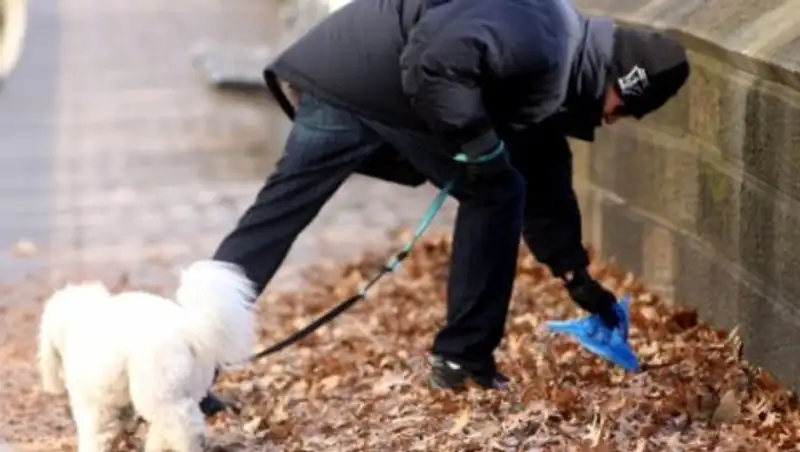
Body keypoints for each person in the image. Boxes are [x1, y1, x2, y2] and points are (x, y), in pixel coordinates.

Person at [188, 0, 690, 414]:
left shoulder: (556, 64)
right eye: (621, 108)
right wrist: (477, 145)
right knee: (495, 191)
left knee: (273, 220)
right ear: (618, 78)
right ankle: (464, 360)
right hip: (368, 84)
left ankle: (185, 371)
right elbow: (433, 62)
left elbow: (545, 175)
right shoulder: (540, 35)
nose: (613, 119)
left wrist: (576, 277)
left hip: (346, 80)